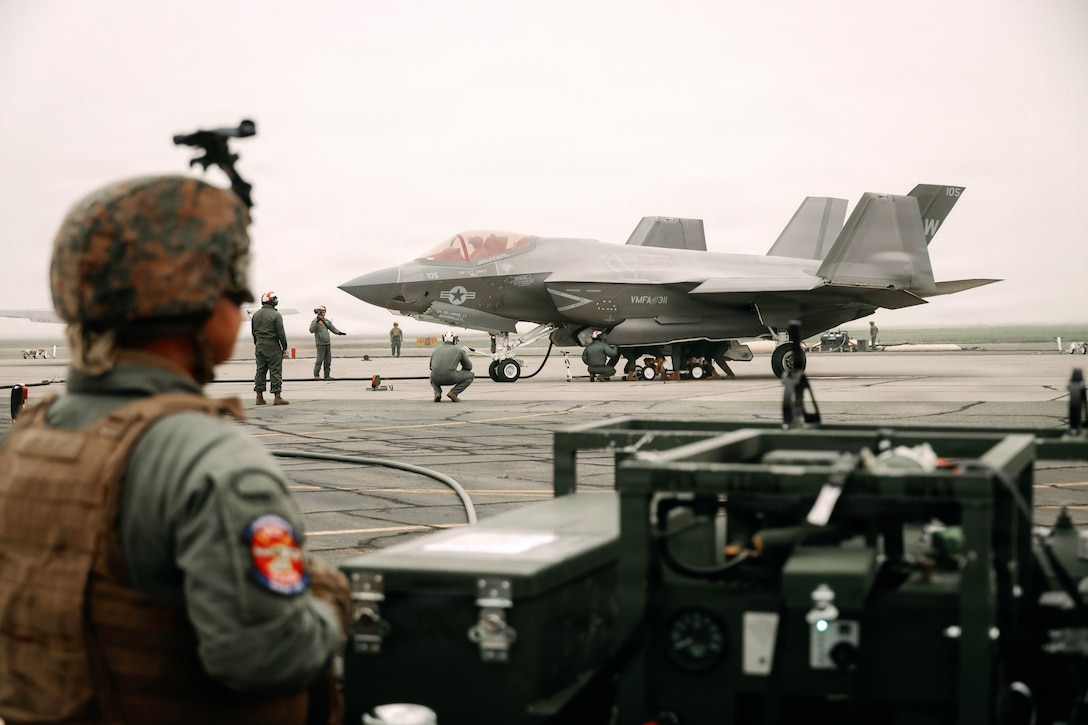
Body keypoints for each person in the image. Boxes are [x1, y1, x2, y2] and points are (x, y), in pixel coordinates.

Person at [0, 175, 351, 723]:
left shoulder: (27, 440)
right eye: (232, 297)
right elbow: (268, 657)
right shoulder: (215, 466)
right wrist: (332, 601)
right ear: (204, 308)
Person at [253, 290, 289, 404]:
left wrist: (258, 344)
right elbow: (281, 334)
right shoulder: (276, 315)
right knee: (275, 371)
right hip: (272, 346)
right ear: (271, 301)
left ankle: (259, 397)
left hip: (259, 345)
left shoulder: (255, 315)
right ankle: (277, 397)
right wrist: (284, 347)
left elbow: (253, 332)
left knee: (260, 371)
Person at [429, 329, 474, 402]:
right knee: (470, 375)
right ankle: (454, 393)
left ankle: (437, 392)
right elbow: (469, 366)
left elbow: (431, 367)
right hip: (451, 377)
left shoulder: (436, 350)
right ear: (455, 340)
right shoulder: (459, 350)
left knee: (432, 375)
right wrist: (460, 372)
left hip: (435, 378)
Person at [310, 305, 345, 380]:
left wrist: (339, 332)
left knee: (328, 360)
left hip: (327, 343)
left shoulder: (326, 321)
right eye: (323, 311)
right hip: (320, 344)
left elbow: (332, 328)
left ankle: (327, 375)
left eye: (324, 311)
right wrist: (316, 322)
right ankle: (316, 375)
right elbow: (311, 330)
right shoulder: (314, 321)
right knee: (319, 360)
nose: (324, 313)